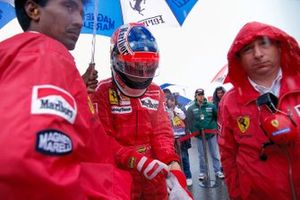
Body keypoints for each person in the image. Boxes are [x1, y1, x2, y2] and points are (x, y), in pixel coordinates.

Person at [0, 0, 131, 199]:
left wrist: (77, 86)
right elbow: (29, 165)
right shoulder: (46, 53)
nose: (79, 21)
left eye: (81, 12)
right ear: (33, 10)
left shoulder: (19, 54)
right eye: (68, 7)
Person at [91, 23, 192, 200]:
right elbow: (103, 141)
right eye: (135, 68)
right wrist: (136, 160)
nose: (142, 73)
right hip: (119, 178)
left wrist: (172, 162)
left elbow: (161, 133)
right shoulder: (102, 92)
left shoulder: (155, 91)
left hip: (155, 176)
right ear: (115, 59)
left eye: (148, 67)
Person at [218, 21, 300, 200]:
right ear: (238, 58)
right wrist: (237, 195)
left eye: (264, 43)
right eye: (247, 49)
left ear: (279, 47)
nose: (257, 54)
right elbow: (228, 157)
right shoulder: (229, 103)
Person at [186, 88, 224, 181]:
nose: (201, 96)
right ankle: (202, 172)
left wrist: (214, 128)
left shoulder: (211, 106)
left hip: (211, 134)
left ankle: (218, 170)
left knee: (214, 153)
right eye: (199, 95)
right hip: (199, 135)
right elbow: (189, 121)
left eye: (202, 94)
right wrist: (194, 132)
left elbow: (217, 117)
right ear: (195, 96)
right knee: (201, 155)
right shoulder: (191, 108)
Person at [165, 94, 193, 186]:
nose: (171, 102)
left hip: (181, 138)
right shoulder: (163, 110)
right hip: (170, 138)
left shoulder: (179, 109)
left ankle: (188, 176)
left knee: (184, 157)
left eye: (173, 100)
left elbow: (184, 118)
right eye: (170, 100)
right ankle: (177, 178)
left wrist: (175, 111)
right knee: (173, 159)